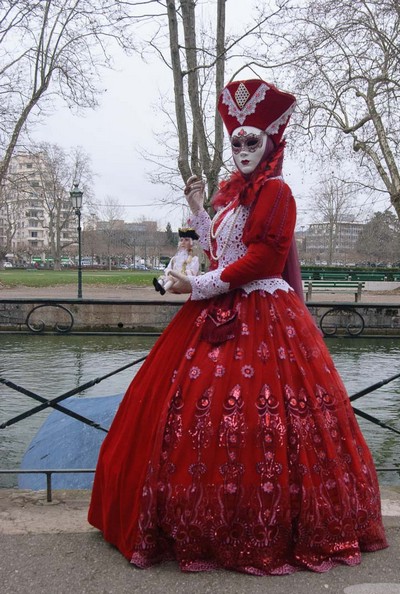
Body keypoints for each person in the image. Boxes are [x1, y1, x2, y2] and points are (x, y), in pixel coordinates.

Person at [88, 78, 387, 575]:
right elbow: (222, 249)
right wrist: (200, 210)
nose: (243, 148)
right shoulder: (234, 197)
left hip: (265, 317)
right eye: (237, 141)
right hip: (215, 309)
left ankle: (263, 525)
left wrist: (198, 286)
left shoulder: (277, 192)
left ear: (270, 141)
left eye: (252, 140)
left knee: (261, 417)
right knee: (188, 415)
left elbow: (265, 258)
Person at [153, 228, 199, 295]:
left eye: (186, 240)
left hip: (183, 281)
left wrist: (183, 273)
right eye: (181, 240)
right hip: (173, 279)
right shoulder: (175, 258)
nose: (183, 242)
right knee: (166, 278)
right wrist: (168, 272)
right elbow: (168, 268)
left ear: (191, 243)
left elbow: (192, 274)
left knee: (172, 279)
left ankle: (164, 287)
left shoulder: (194, 259)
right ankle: (159, 285)